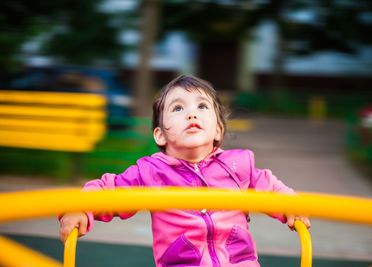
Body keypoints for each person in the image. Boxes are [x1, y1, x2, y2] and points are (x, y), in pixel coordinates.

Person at [59, 74, 311, 266]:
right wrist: (81, 206)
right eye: (178, 108)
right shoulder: (151, 173)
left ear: (218, 131)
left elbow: (270, 187)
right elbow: (109, 189)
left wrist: (289, 203)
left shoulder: (238, 166)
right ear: (160, 135)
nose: (191, 114)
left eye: (202, 107)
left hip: (238, 261)